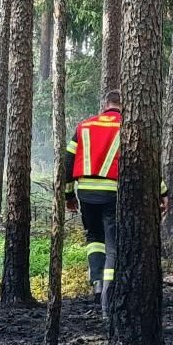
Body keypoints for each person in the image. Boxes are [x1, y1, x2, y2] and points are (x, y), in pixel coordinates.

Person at [60, 94, 125, 303]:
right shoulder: (126, 126)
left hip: (86, 192)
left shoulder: (84, 126)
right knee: (113, 243)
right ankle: (109, 295)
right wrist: (162, 192)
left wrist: (68, 194)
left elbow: (68, 161)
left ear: (104, 105)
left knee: (94, 238)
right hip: (113, 192)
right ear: (122, 105)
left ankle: (97, 282)